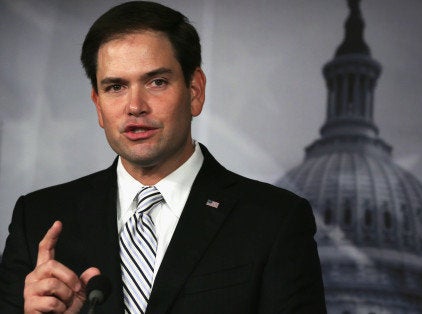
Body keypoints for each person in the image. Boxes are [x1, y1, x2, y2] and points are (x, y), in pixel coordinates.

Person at [0, 1, 326, 313]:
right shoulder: (38, 220)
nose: (135, 106)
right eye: (115, 87)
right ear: (98, 105)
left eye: (157, 82)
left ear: (194, 92)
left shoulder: (275, 220)